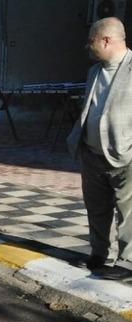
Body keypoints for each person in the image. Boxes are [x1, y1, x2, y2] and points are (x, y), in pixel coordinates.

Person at [67, 17, 132, 274]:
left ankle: (127, 262)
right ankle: (98, 252)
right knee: (96, 208)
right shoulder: (94, 71)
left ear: (106, 40)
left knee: (128, 212)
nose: (87, 46)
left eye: (90, 40)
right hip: (92, 154)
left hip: (125, 156)